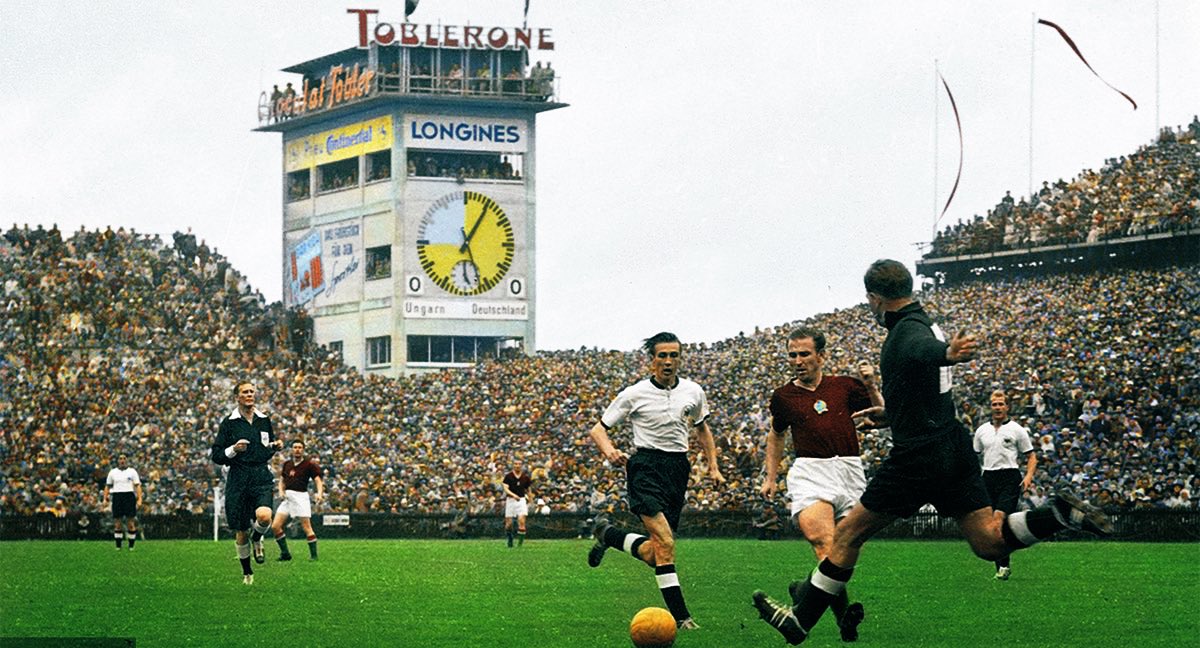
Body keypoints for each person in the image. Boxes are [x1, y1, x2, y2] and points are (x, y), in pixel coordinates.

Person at [756, 260, 1112, 645]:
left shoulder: (906, 333)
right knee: (989, 541)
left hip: (917, 458)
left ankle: (799, 623)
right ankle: (1058, 513)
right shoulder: (925, 321)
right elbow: (922, 373)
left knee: (845, 536)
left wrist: (948, 353)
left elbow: (922, 351)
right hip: (952, 446)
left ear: (874, 299)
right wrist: (891, 414)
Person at [586, 332, 725, 632]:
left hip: (677, 469)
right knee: (666, 542)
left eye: (673, 355)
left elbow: (702, 430)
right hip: (645, 467)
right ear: (651, 361)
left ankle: (607, 534)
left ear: (680, 359)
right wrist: (610, 452)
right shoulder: (634, 394)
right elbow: (598, 429)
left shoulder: (693, 391)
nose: (668, 361)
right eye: (662, 355)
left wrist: (713, 466)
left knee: (655, 553)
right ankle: (681, 617)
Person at [758, 327, 882, 642]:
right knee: (825, 543)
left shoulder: (845, 386)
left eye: (804, 354)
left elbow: (882, 414)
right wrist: (770, 476)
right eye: (792, 355)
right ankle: (843, 618)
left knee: (846, 548)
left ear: (821, 356)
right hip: (810, 471)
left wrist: (870, 384)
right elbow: (776, 434)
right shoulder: (784, 396)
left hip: (850, 470)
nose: (798, 361)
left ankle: (804, 589)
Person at [211, 380, 283, 585]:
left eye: (252, 391)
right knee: (241, 529)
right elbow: (216, 455)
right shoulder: (229, 423)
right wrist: (233, 449)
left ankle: (258, 538)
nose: (250, 394)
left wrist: (274, 446)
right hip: (238, 478)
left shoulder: (263, 420)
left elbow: (265, 446)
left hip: (260, 475)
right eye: (245, 392)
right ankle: (247, 573)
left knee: (264, 517)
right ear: (237, 397)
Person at [974, 389, 1037, 580]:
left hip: (1009, 477)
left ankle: (1003, 567)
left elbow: (1031, 456)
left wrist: (1028, 476)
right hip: (988, 477)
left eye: (1001, 404)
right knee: (991, 527)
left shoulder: (1017, 430)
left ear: (1007, 407)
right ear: (990, 407)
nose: (998, 407)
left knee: (998, 520)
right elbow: (974, 456)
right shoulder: (982, 431)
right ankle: (1002, 566)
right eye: (994, 404)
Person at [271, 439, 325, 561]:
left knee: (306, 527)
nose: (297, 449)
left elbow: (317, 480)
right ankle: (285, 554)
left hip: (301, 497)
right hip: (288, 498)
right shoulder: (287, 464)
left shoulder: (309, 465)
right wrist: (281, 491)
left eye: (300, 447)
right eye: (295, 447)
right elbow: (282, 480)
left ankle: (314, 556)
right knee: (275, 526)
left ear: (303, 450)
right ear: (291, 449)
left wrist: (319, 493)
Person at [103, 454, 142, 550]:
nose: (122, 460)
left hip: (129, 496)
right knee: (117, 523)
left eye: (124, 458)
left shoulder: (132, 472)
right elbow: (107, 486)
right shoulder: (113, 472)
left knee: (130, 523)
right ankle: (118, 546)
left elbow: (137, 486)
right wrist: (105, 498)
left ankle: (131, 546)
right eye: (120, 458)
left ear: (127, 460)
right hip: (117, 496)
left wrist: (139, 498)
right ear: (117, 461)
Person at [502, 458, 532, 547]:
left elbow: (528, 489)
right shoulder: (508, 476)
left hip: (521, 500)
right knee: (509, 524)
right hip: (511, 500)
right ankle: (510, 539)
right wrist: (513, 495)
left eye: (519, 464)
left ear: (521, 465)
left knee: (522, 521)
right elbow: (505, 488)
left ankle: (520, 544)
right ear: (513, 465)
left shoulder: (525, 477)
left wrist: (530, 499)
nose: (517, 466)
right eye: (515, 464)